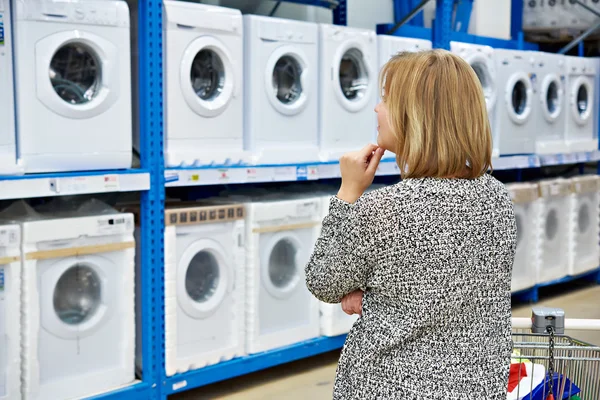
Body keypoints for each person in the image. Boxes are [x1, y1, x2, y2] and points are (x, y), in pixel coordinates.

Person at [305, 49, 516, 399]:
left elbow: (324, 281)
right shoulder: (496, 198)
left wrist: (348, 192)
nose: (376, 108)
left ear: (415, 115)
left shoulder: (383, 210)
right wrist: (377, 293)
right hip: (477, 386)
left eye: (386, 99)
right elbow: (449, 289)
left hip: (389, 386)